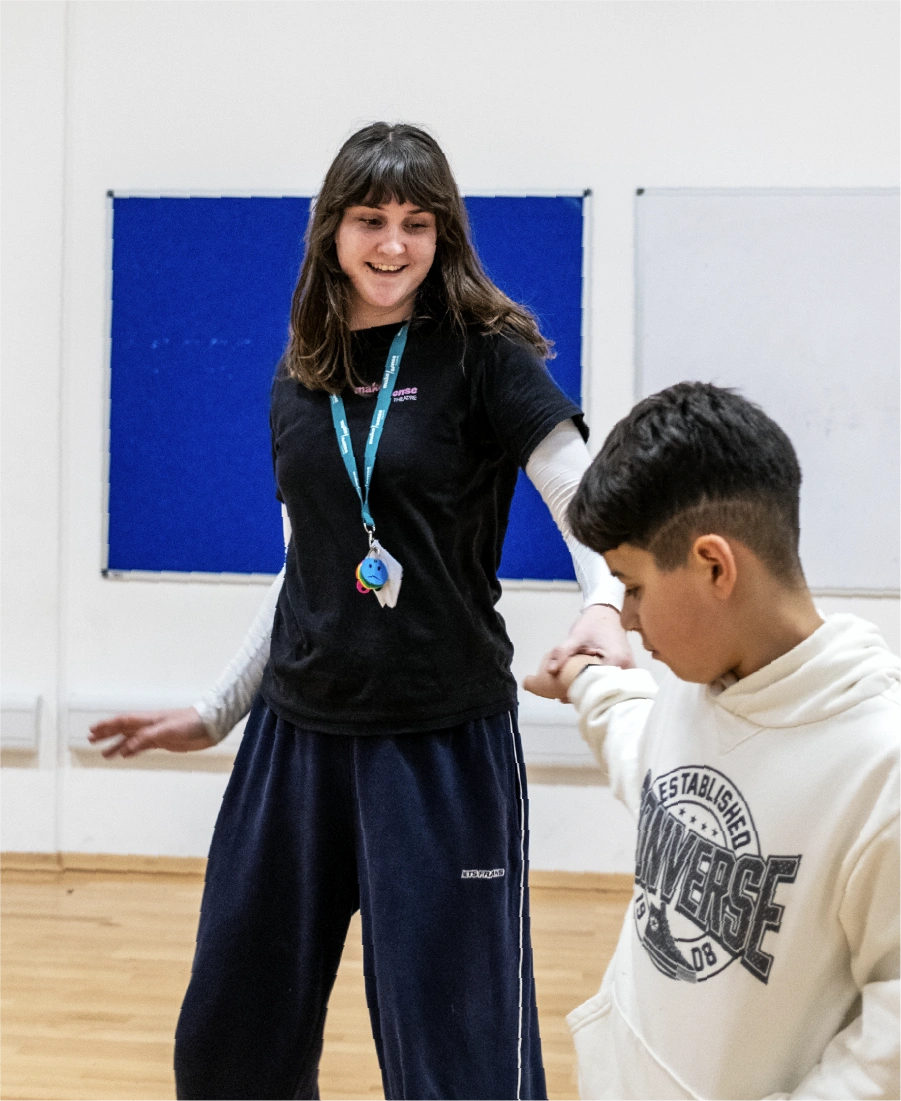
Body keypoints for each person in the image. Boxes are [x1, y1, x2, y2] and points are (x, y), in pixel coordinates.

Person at [89, 122, 632, 1101]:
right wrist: (217, 710)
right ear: (331, 230)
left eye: (416, 223)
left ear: (444, 234)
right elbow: (306, 566)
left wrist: (605, 604)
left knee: (460, 1059)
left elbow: (581, 496)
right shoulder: (302, 373)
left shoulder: (486, 356)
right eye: (371, 219)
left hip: (437, 742)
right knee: (228, 1045)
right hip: (294, 741)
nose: (392, 244)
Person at [526, 381, 901, 1100]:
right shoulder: (703, 686)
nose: (626, 618)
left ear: (713, 565)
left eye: (631, 588)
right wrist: (580, 673)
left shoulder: (879, 766)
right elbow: (638, 746)